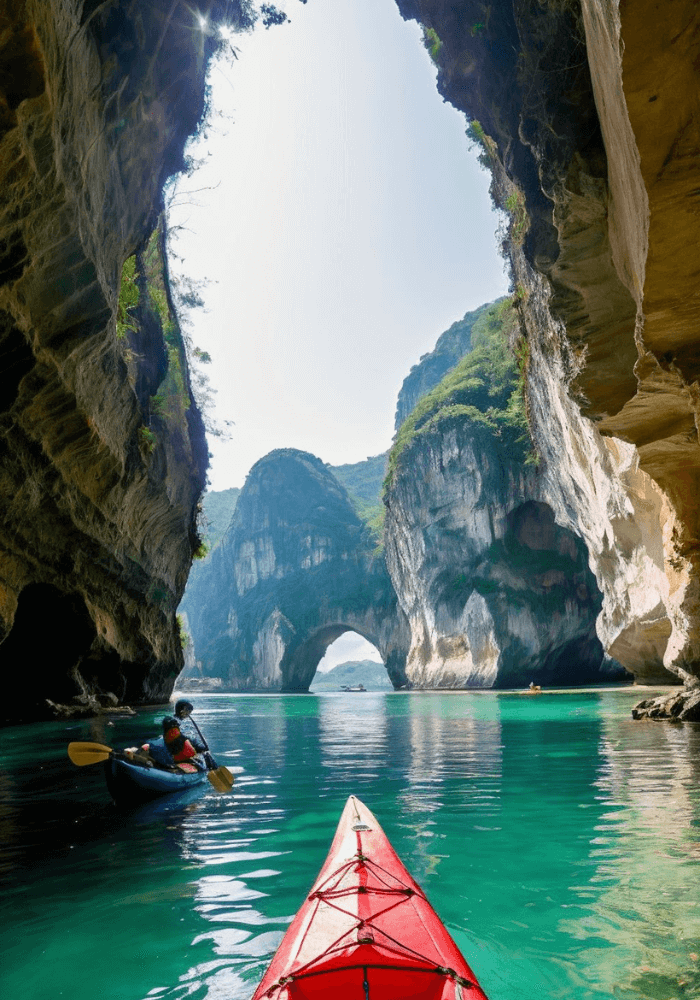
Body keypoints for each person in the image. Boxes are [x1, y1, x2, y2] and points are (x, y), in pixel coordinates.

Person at [174, 699, 217, 770]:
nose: (189, 713)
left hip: (180, 748)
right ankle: (213, 769)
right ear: (182, 711)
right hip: (180, 751)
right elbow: (184, 737)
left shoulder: (177, 721)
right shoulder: (177, 722)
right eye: (188, 711)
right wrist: (199, 747)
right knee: (206, 756)